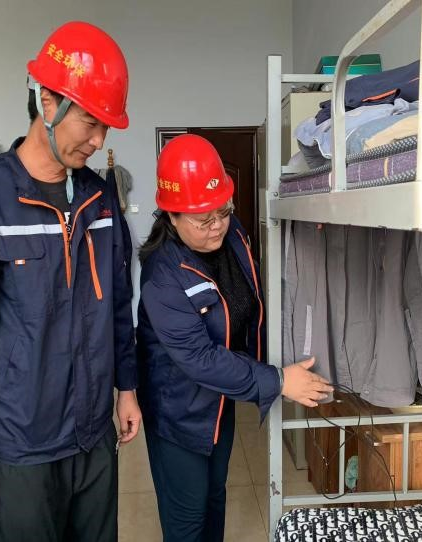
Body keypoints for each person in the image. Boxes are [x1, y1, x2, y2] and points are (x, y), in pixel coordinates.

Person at [0, 21, 140, 541]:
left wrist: (128, 388)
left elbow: (118, 304)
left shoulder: (100, 199)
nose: (98, 140)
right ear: (47, 100)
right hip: (20, 443)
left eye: (106, 127)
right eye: (90, 121)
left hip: (93, 436)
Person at [136, 134, 334, 541]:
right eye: (203, 220)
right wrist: (277, 380)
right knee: (188, 518)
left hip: (219, 401)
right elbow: (200, 358)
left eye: (223, 212)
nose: (217, 226)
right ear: (171, 215)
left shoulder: (233, 233)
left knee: (214, 498)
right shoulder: (162, 276)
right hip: (179, 413)